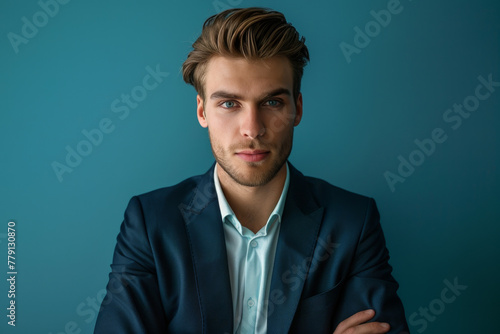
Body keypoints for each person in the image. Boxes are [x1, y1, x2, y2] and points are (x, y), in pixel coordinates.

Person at [94, 7, 409, 334]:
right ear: (202, 111)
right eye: (229, 104)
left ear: (296, 108)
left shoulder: (353, 223)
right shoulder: (150, 223)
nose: (252, 129)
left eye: (272, 102)